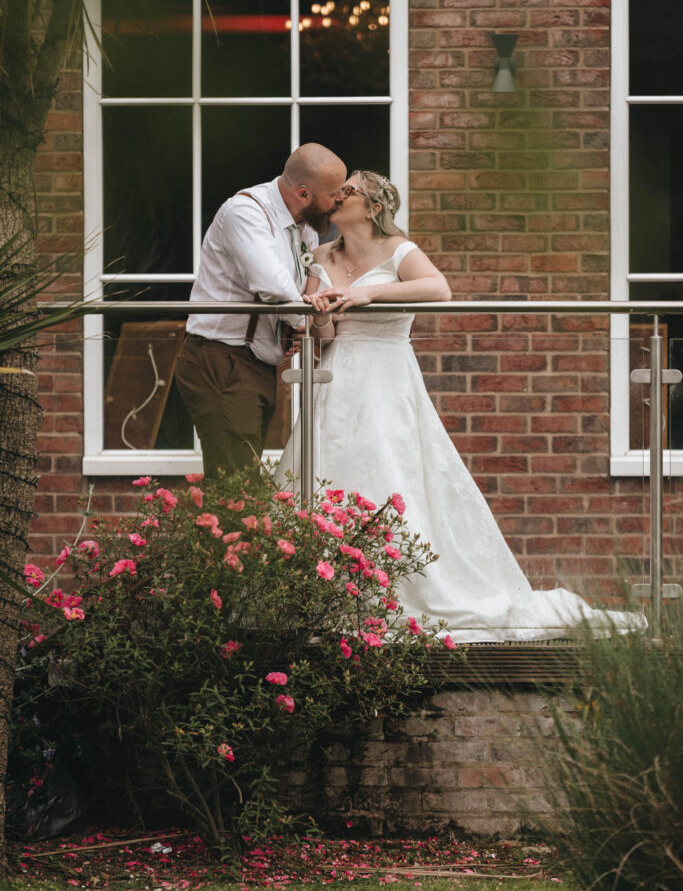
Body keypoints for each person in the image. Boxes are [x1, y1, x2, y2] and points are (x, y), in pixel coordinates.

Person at [275, 170, 646, 642]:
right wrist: (320, 314)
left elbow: (438, 288)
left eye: (349, 191)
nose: (339, 196)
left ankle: (403, 589)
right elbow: (324, 336)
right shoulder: (321, 255)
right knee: (331, 474)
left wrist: (367, 292)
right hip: (336, 380)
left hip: (389, 381)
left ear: (371, 208)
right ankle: (333, 592)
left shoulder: (400, 252)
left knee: (395, 475)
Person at [176, 143, 347, 478]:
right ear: (303, 193)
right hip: (221, 360)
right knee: (234, 482)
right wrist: (302, 322)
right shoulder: (246, 212)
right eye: (333, 195)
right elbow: (274, 286)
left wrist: (290, 325)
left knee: (241, 477)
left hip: (254, 364)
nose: (338, 202)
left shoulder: (305, 225)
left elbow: (301, 284)